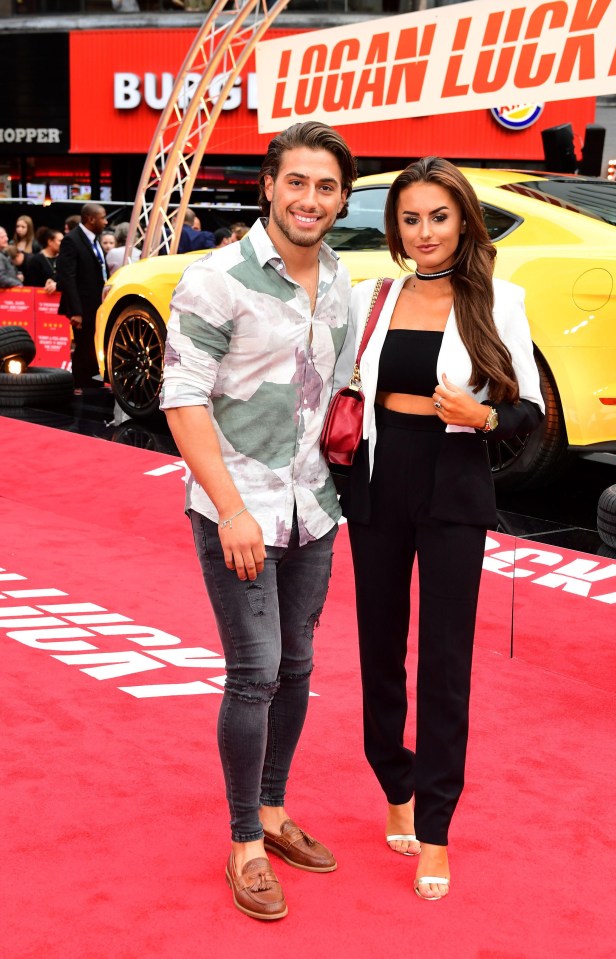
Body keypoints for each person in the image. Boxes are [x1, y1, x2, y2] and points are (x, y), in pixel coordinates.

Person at [160, 121, 357, 921]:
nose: (310, 199)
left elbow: (342, 388)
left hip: (314, 508)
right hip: (236, 509)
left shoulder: (342, 278)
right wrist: (234, 509)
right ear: (269, 186)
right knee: (256, 670)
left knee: (300, 666)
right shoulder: (218, 280)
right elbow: (182, 398)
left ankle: (274, 810)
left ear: (342, 198)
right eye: (297, 182)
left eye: (326, 186)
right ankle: (245, 840)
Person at [340, 157, 544, 902]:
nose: (424, 232)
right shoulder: (374, 295)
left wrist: (484, 415)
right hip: (379, 480)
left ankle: (435, 826)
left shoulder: (499, 299)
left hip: (455, 483)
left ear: (463, 219)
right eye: (411, 218)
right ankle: (392, 778)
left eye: (438, 216)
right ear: (396, 226)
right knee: (379, 647)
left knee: (445, 663)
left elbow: (531, 413)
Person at [57, 202, 109, 394]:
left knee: (93, 346)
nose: (106, 221)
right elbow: (68, 277)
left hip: (97, 305)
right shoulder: (71, 240)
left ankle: (93, 384)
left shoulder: (95, 240)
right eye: (103, 217)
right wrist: (76, 311)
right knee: (83, 346)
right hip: (82, 306)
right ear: (91, 219)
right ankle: (79, 385)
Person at [23, 228, 63, 293]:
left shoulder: (63, 258)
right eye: (60, 241)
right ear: (50, 242)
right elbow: (32, 284)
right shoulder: (36, 260)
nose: (63, 244)